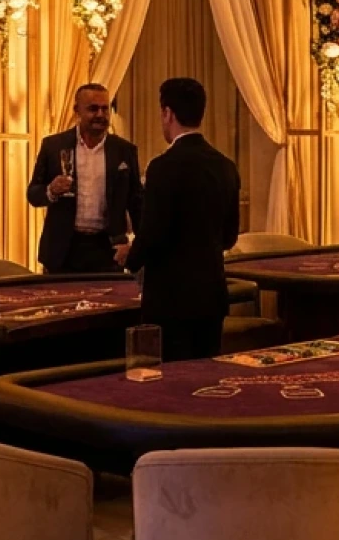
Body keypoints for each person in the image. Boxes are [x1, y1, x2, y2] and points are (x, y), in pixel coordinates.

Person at [124, 78, 240, 362]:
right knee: (206, 375)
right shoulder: (226, 166)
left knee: (173, 377)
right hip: (211, 295)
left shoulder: (162, 167)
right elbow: (229, 237)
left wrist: (130, 257)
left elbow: (153, 233)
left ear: (168, 113)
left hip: (170, 299)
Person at [27, 84, 143, 274]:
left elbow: (137, 203)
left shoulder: (124, 150)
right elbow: (33, 194)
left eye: (105, 108)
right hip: (63, 250)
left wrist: (138, 248)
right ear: (77, 111)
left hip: (108, 250)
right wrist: (51, 190)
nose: (100, 114)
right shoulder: (53, 146)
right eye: (93, 109)